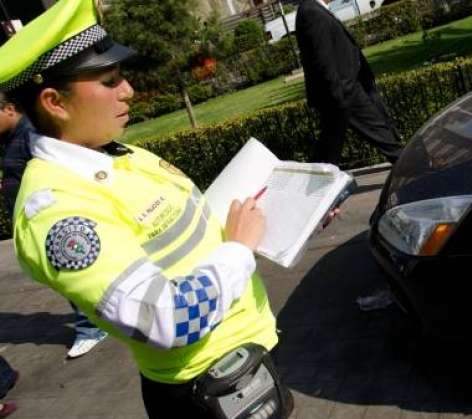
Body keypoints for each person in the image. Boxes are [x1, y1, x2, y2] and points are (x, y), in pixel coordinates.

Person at [0, 0, 304, 417]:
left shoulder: (113, 152)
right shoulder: (57, 211)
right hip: (206, 386)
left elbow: (190, 233)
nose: (128, 90)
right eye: (109, 81)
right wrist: (239, 250)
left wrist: (290, 217)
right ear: (55, 101)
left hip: (247, 352)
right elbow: (166, 318)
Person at [1, 92, 108, 359]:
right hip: (34, 220)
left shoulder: (31, 136)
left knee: (68, 272)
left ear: (10, 108)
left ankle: (91, 327)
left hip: (52, 220)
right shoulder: (11, 138)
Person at [295, 0, 403, 165]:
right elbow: (323, 60)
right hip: (344, 92)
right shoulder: (311, 12)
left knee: (328, 152)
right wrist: (339, 97)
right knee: (381, 134)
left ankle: (315, 185)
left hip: (345, 89)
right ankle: (417, 170)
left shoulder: (313, 9)